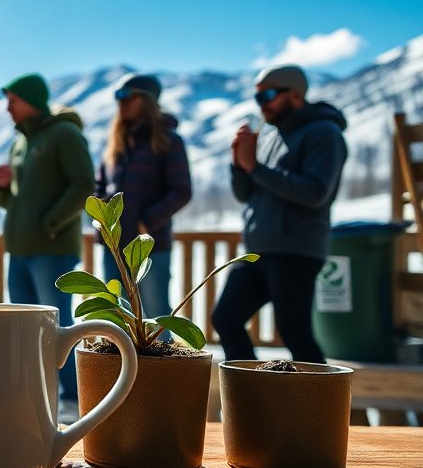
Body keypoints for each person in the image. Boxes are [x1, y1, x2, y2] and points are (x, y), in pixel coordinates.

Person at [212, 64, 348, 363]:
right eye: (258, 97)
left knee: (294, 333)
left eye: (269, 95)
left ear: (296, 95)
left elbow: (315, 193)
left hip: (295, 251)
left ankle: (319, 407)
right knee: (225, 318)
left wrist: (255, 168)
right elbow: (245, 194)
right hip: (259, 250)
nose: (262, 104)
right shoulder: (273, 136)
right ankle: (251, 400)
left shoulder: (324, 133)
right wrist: (239, 164)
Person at [0, 73, 95, 404]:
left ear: (33, 101)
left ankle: (71, 396)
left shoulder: (64, 134)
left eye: (13, 101)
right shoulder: (20, 143)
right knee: (23, 325)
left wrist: (50, 223)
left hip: (51, 250)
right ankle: (31, 392)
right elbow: (14, 201)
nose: (7, 108)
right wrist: (3, 187)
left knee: (56, 325)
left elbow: (83, 184)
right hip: (20, 250)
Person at [95, 74, 193, 325]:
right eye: (117, 96)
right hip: (114, 245)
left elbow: (181, 190)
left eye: (127, 96)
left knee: (157, 316)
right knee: (117, 315)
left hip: (150, 246)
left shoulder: (169, 141)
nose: (121, 102)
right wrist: (101, 216)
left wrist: (146, 223)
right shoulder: (116, 144)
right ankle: (122, 366)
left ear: (147, 101)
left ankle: (166, 367)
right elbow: (99, 187)